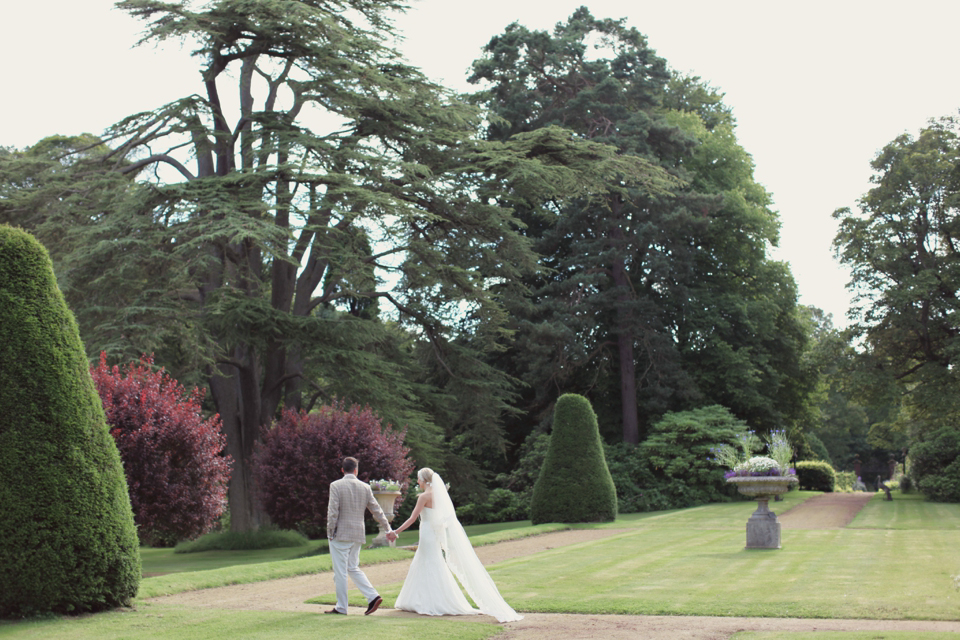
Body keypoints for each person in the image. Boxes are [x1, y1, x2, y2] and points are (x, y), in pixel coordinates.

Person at [388, 468, 522, 623]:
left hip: (426, 534)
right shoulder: (440, 496)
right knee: (431, 562)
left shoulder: (424, 497)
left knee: (427, 562)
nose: (418, 482)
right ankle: (427, 599)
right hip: (434, 533)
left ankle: (427, 601)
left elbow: (412, 518)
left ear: (424, 480)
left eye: (418, 479)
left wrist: (395, 532)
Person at [326, 456, 393, 615]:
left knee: (341, 571)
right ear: (356, 470)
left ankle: (342, 607)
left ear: (342, 470)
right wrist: (388, 528)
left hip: (340, 534)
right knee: (352, 568)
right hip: (357, 534)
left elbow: (333, 511)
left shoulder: (336, 485)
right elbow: (376, 510)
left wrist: (330, 532)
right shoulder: (365, 487)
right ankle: (373, 596)